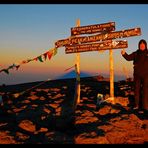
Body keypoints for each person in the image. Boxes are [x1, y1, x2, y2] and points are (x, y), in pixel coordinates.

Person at [121, 39, 148, 111]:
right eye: (140, 45)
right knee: (136, 90)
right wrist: (124, 54)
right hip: (137, 75)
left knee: (145, 91)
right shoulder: (136, 53)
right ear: (139, 46)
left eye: (143, 45)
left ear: (145, 46)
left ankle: (145, 107)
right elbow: (128, 58)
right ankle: (136, 105)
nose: (142, 46)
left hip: (146, 75)